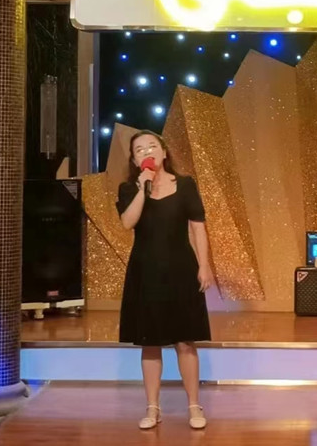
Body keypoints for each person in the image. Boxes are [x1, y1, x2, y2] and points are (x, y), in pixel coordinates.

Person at [115, 130, 215, 430]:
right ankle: (152, 407)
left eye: (152, 146)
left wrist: (204, 265)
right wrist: (142, 188)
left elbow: (198, 227)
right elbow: (127, 222)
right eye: (140, 149)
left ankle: (194, 406)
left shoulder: (185, 185)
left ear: (164, 152)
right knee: (150, 342)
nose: (147, 151)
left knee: (185, 340)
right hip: (145, 271)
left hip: (181, 269)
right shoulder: (129, 188)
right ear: (135, 160)